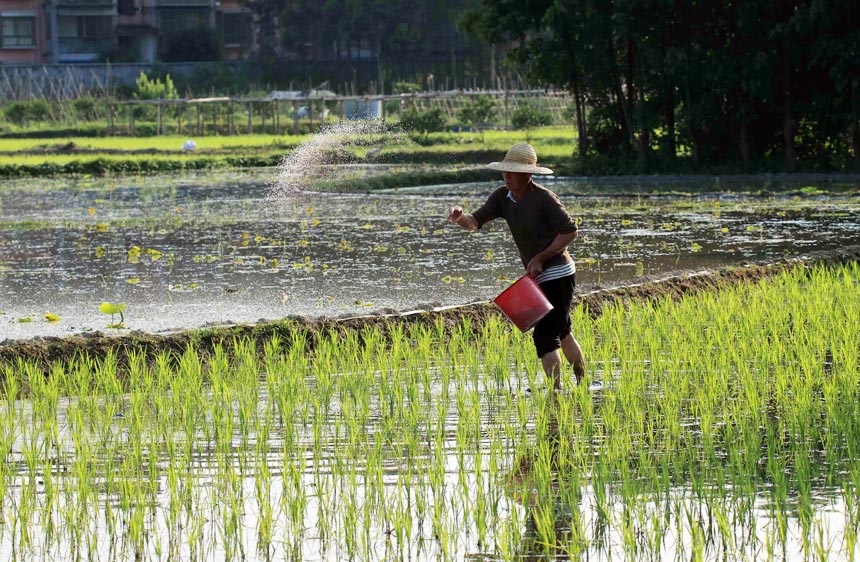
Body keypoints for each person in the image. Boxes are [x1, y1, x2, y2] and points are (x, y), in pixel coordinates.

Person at [447, 142, 585, 389]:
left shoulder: (544, 198)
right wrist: (460, 217)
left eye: (513, 171)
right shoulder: (502, 197)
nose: (507, 176)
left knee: (545, 336)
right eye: (505, 170)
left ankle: (557, 392)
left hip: (560, 274)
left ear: (528, 174)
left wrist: (541, 257)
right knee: (562, 330)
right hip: (537, 277)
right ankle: (583, 382)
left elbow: (570, 232)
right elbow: (474, 223)